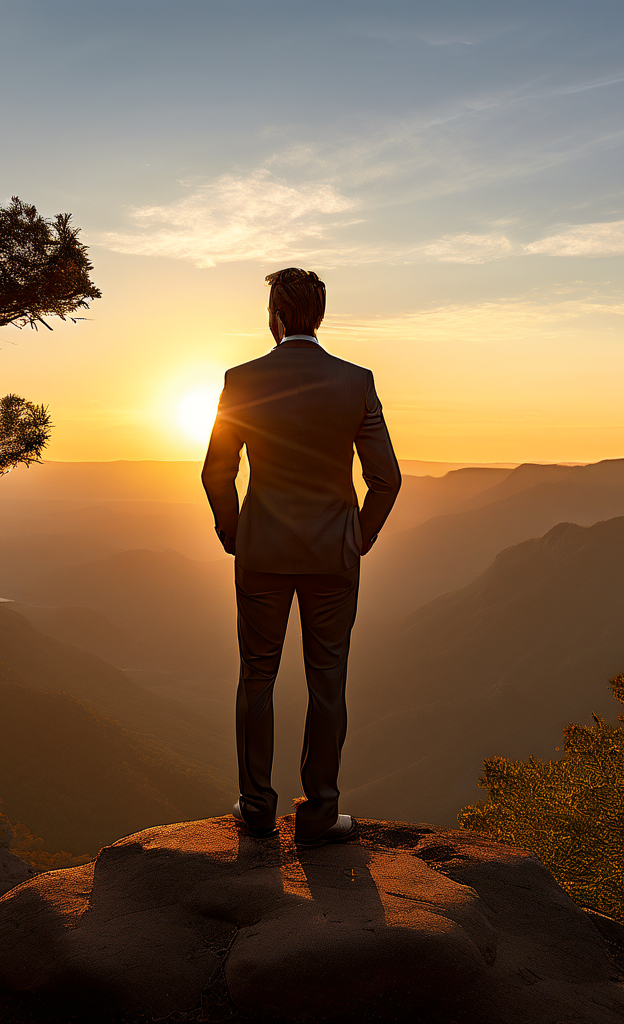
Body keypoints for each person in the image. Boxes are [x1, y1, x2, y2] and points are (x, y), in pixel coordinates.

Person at [201, 267, 401, 848]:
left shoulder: (241, 380)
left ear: (278, 315)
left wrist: (235, 531)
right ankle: (321, 813)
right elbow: (385, 479)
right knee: (327, 681)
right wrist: (356, 538)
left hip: (261, 552)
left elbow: (217, 470)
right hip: (333, 558)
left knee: (256, 676)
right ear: (317, 314)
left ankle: (256, 808)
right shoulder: (356, 382)